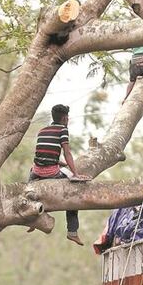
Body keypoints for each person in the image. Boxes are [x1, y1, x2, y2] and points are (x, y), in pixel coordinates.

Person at [29, 104, 89, 245]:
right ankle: (72, 232)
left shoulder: (42, 130)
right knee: (74, 191)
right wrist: (75, 174)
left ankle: (31, 219)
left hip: (36, 171)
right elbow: (67, 153)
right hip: (52, 173)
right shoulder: (63, 130)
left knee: (29, 191)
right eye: (67, 117)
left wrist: (60, 163)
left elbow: (44, 153)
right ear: (64, 118)